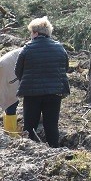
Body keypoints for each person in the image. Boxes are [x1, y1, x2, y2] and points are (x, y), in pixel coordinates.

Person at [15, 17, 69, 147]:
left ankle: (29, 150)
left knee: (30, 125)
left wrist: (28, 81)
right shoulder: (60, 48)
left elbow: (18, 71)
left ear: (35, 33)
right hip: (54, 93)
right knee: (52, 125)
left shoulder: (27, 48)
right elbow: (65, 68)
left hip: (31, 93)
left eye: (31, 32)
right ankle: (54, 150)